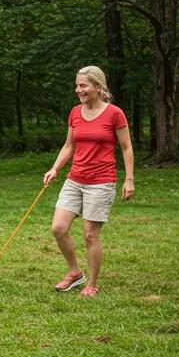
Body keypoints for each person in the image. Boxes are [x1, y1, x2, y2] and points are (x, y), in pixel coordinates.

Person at [43, 65, 134, 297]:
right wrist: (55, 168)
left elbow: (126, 147)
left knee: (90, 235)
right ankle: (75, 273)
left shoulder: (115, 113)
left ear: (98, 87)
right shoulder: (75, 113)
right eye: (77, 86)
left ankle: (92, 284)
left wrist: (129, 179)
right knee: (58, 228)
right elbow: (69, 146)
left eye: (83, 85)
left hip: (101, 181)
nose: (78, 90)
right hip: (75, 179)